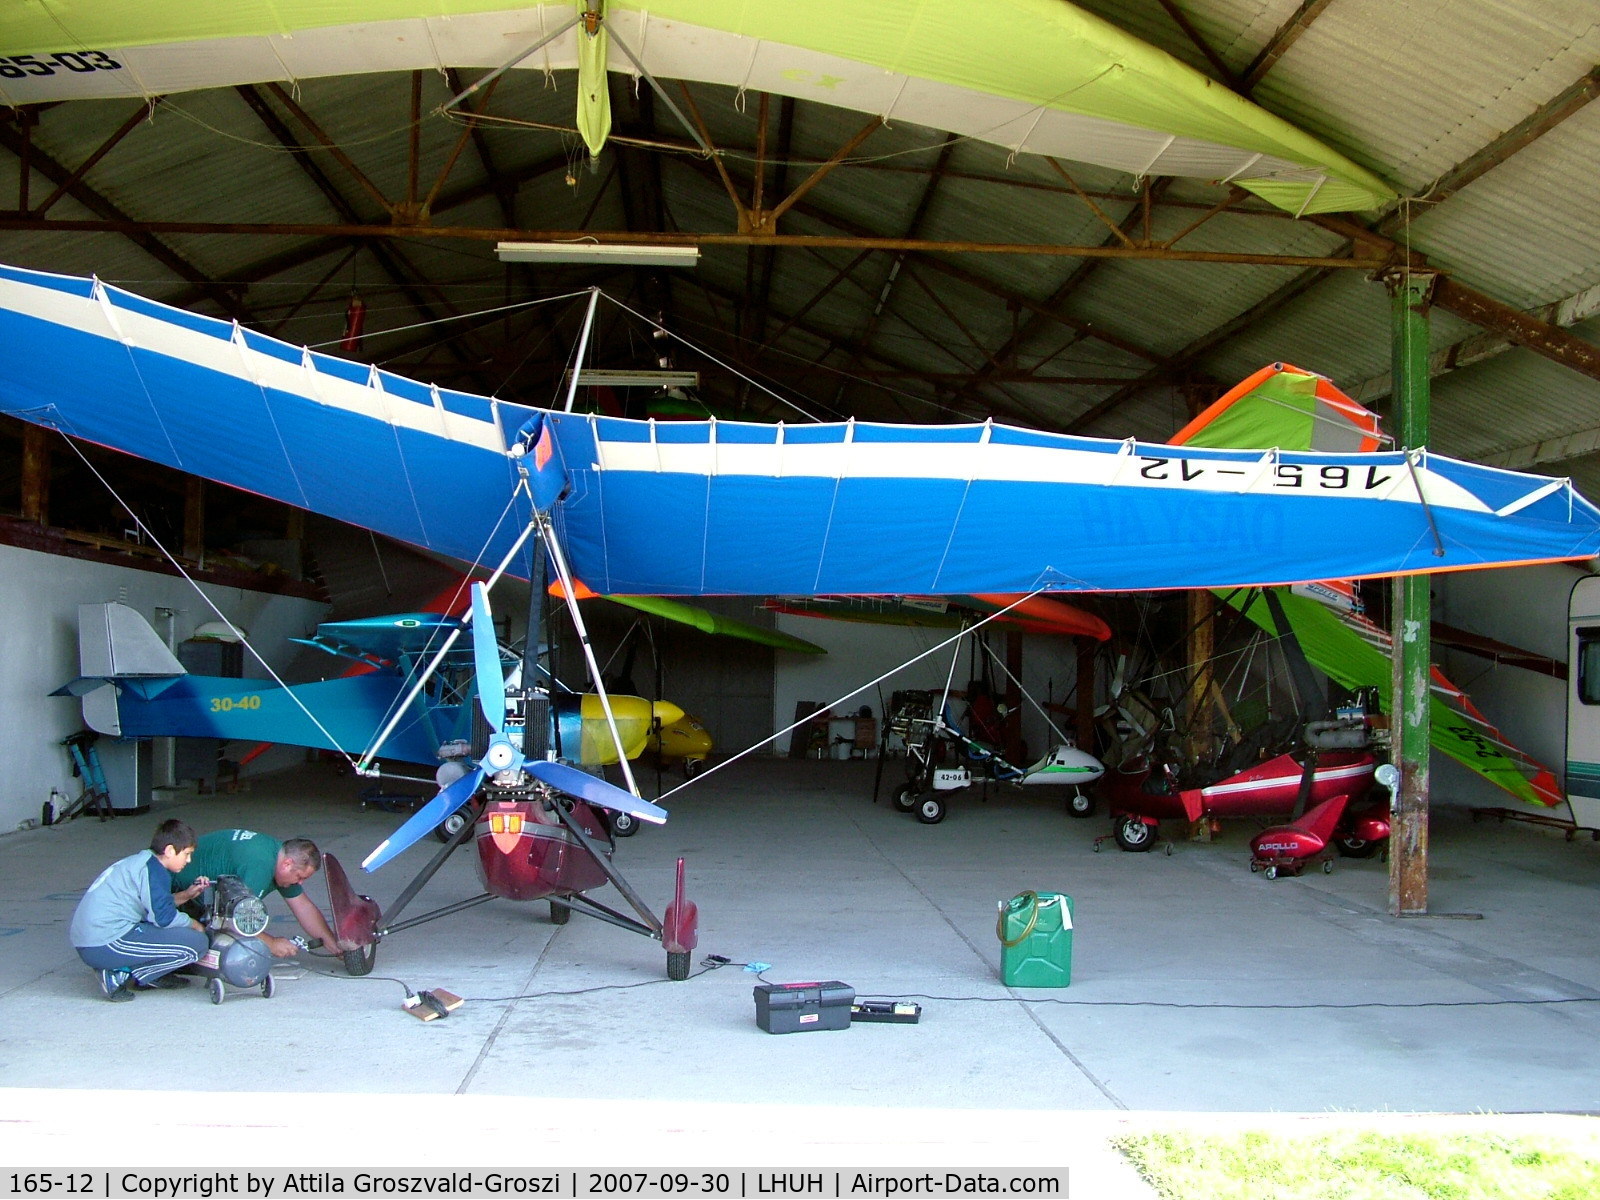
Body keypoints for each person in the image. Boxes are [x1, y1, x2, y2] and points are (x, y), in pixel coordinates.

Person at [70, 818, 211, 1002]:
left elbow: (153, 906)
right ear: (169, 851)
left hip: (92, 940)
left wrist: (186, 895)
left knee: (178, 934)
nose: (189, 860)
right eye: (187, 854)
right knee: (197, 944)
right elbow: (163, 918)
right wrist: (195, 925)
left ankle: (149, 976)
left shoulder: (143, 863)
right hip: (105, 942)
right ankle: (119, 975)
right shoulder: (155, 871)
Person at [173, 829, 353, 957]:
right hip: (175, 890)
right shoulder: (260, 865)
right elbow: (238, 919)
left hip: (198, 892)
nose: (299, 883)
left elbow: (303, 907)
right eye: (299, 877)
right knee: (210, 945)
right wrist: (272, 943)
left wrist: (333, 944)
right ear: (288, 864)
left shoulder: (279, 856)